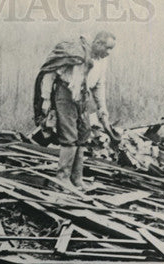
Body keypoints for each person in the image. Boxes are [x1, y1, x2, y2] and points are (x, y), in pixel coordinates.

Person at [34, 31, 119, 190]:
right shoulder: (75, 53)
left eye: (111, 49)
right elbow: (50, 73)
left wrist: (102, 109)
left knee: (83, 135)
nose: (108, 53)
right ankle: (62, 178)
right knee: (69, 137)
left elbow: (99, 85)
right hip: (65, 94)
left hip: (82, 97)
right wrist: (45, 99)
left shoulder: (101, 62)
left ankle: (77, 179)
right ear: (98, 43)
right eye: (107, 48)